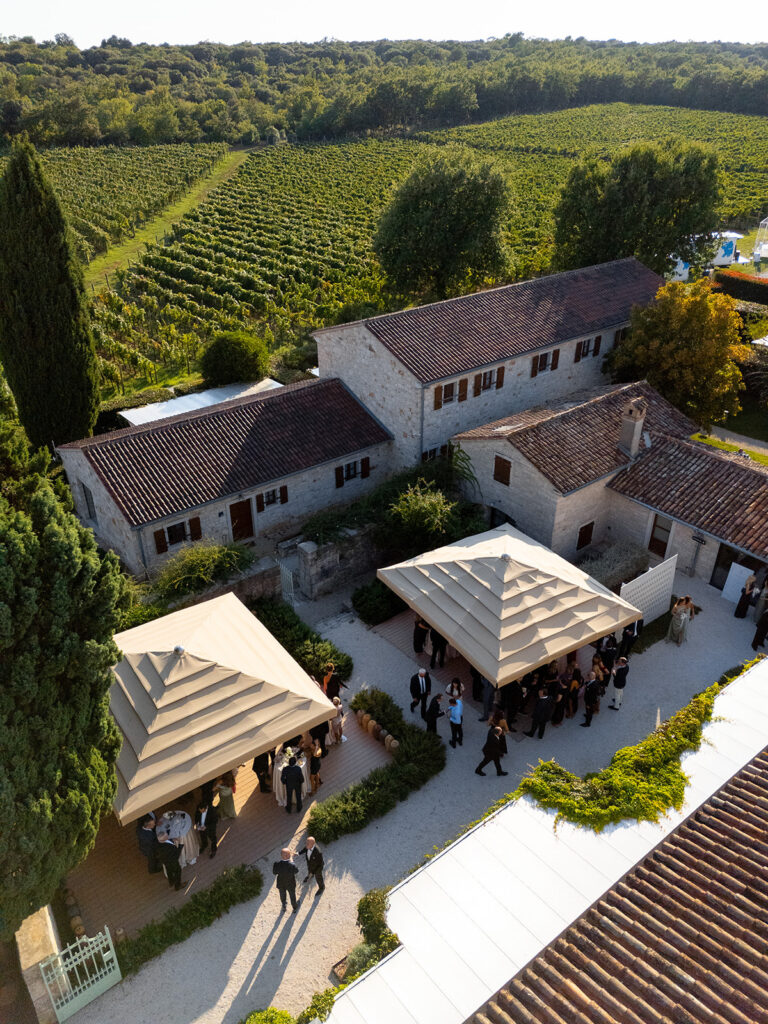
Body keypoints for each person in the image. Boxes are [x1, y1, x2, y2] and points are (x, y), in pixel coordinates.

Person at [273, 848, 299, 912]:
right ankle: (294, 907)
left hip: (281, 883)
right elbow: (296, 871)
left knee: (282, 895)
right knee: (292, 895)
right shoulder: (292, 865)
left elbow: (274, 873)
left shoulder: (276, 864)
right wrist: (292, 861)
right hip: (290, 883)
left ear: (281, 855)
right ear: (288, 855)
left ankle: (284, 905)